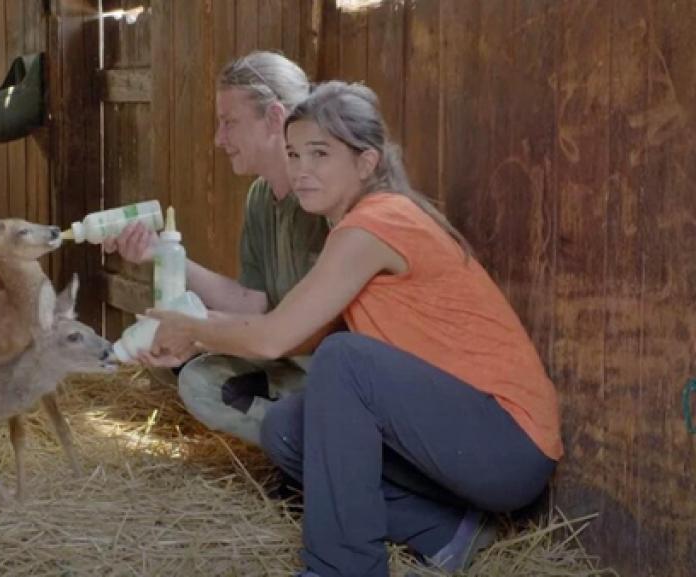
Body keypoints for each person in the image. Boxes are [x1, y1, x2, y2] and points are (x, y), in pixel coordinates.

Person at [144, 81, 562, 577]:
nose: (302, 171)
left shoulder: (375, 226)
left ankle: (342, 568)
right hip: (456, 444)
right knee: (287, 430)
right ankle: (444, 532)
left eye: (320, 154)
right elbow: (299, 335)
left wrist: (195, 330)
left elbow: (275, 338)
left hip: (508, 447)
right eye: (294, 154)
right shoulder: (355, 225)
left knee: (345, 361)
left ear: (366, 163)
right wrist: (199, 326)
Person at [104, 51, 335, 449]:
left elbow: (317, 332)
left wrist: (201, 333)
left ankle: (312, 451)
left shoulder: (324, 198)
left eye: (229, 123)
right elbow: (253, 303)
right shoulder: (262, 197)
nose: (218, 139)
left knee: (197, 377)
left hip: (329, 369)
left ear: (275, 118)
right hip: (281, 353)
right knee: (174, 360)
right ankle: (299, 439)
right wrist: (163, 254)